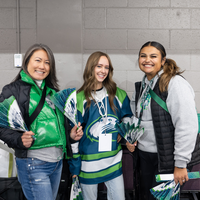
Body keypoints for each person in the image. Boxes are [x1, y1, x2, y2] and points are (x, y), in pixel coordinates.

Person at [0, 43, 83, 200]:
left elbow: (58, 128)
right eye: (38, 60)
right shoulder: (13, 90)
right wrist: (18, 139)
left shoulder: (53, 93)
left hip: (57, 164)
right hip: (34, 164)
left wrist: (71, 135)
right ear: (27, 62)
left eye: (47, 62)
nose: (42, 66)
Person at [127, 41, 200, 200]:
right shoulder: (142, 85)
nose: (147, 60)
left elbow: (187, 126)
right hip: (144, 156)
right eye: (143, 56)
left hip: (167, 159)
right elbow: (137, 117)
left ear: (163, 61)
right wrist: (130, 138)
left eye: (153, 56)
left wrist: (180, 164)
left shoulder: (175, 83)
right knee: (145, 196)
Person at [68, 51, 133, 200]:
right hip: (87, 164)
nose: (103, 71)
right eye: (99, 66)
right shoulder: (78, 98)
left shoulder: (119, 94)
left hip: (113, 159)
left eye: (107, 67)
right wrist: (75, 167)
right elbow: (73, 137)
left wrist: (122, 132)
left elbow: (128, 118)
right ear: (91, 68)